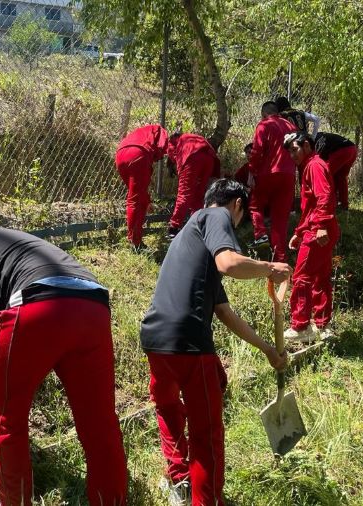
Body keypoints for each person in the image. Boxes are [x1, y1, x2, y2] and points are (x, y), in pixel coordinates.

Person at [0, 228, 128, 506]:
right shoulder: (1, 242)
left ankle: (13, 502)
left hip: (38, 304)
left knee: (8, 418)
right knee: (100, 422)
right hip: (93, 304)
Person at [140, 179, 291, 506]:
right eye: (241, 217)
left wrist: (268, 350)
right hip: (188, 340)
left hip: (155, 338)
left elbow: (224, 313)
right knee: (206, 431)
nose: (236, 224)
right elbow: (229, 263)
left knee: (168, 407)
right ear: (237, 204)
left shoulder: (193, 243)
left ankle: (179, 480)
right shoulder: (215, 215)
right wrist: (270, 268)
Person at [283, 132, 340, 343]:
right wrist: (299, 232)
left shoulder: (314, 165)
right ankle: (323, 326)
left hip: (319, 230)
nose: (292, 155)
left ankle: (301, 326)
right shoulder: (311, 165)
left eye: (294, 149)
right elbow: (310, 207)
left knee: (301, 277)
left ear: (306, 145)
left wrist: (321, 226)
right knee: (320, 277)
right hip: (318, 227)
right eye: (289, 152)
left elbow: (325, 196)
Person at [248, 101, 298, 262]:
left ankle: (260, 234)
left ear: (264, 114)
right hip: (289, 175)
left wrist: (252, 171)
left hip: (268, 173)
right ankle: (279, 259)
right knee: (280, 219)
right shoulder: (291, 126)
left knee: (255, 205)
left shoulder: (264, 125)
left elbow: (257, 151)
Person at [116, 124, 168, 249]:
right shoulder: (161, 131)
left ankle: (135, 239)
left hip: (120, 154)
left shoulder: (143, 132)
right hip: (138, 154)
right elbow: (162, 146)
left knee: (136, 196)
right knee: (135, 201)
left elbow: (142, 190)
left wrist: (147, 201)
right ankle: (135, 243)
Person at [166, 132, 221, 238]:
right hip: (209, 160)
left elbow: (172, 155)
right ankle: (197, 224)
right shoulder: (193, 136)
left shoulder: (173, 141)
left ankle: (174, 227)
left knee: (184, 194)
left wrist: (175, 166)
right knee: (198, 195)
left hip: (192, 157)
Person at [313, 132, 357, 210]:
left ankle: (328, 203)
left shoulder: (313, 143)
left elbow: (319, 162)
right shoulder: (320, 136)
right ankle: (344, 205)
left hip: (342, 150)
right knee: (341, 177)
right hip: (353, 149)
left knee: (325, 175)